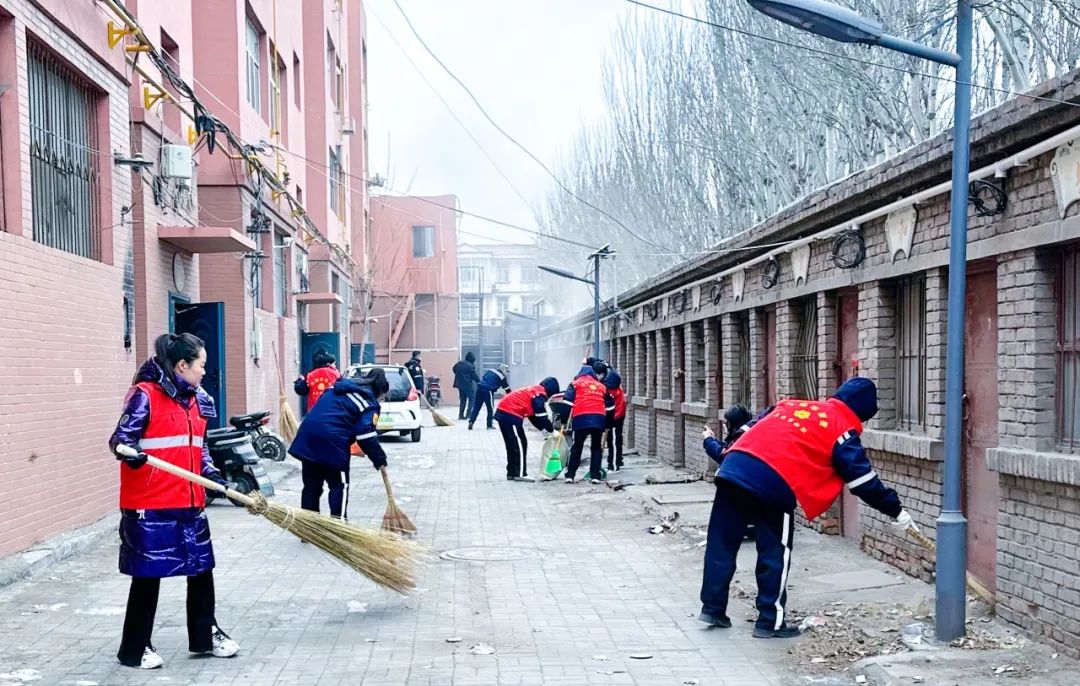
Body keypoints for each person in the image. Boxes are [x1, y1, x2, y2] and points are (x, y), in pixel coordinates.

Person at [698, 378, 917, 639]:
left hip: (733, 469)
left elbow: (746, 429)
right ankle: (770, 622)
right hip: (774, 482)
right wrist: (896, 511)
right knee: (774, 552)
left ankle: (713, 609)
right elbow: (863, 482)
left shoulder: (791, 405)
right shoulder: (842, 430)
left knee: (721, 543)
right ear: (861, 413)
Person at [108, 333, 240, 670]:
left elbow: (199, 447)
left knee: (201, 569)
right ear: (182, 365)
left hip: (190, 501)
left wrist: (214, 477)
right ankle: (135, 648)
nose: (204, 371)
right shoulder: (145, 396)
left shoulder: (199, 399)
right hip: (150, 504)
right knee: (148, 574)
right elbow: (120, 439)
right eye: (201, 365)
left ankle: (206, 634)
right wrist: (130, 453)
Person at [288, 368, 390, 518]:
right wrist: (379, 459)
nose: (380, 400)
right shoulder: (368, 403)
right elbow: (366, 435)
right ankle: (339, 525)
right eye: (382, 397)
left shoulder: (335, 388)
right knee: (339, 486)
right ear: (379, 390)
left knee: (311, 486)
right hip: (332, 443)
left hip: (308, 438)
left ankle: (309, 526)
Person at [494, 377, 560, 480]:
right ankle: (521, 474)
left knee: (512, 444)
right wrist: (552, 430)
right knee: (521, 444)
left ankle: (512, 473)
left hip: (504, 411)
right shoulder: (539, 394)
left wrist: (542, 429)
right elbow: (542, 416)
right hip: (510, 413)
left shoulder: (535, 390)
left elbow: (532, 415)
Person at [564, 360, 615, 484]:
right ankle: (595, 476)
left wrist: (564, 420)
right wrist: (608, 425)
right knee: (596, 447)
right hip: (598, 419)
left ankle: (570, 475)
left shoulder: (575, 384)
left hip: (580, 418)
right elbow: (610, 406)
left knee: (577, 446)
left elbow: (567, 401)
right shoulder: (601, 386)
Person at [469, 363, 511, 430]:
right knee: (490, 408)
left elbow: (484, 378)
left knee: (476, 406)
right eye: (506, 371)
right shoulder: (502, 376)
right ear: (503, 370)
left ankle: (471, 421)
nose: (506, 373)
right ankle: (489, 425)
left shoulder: (490, 371)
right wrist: (511, 396)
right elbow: (507, 389)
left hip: (479, 388)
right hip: (488, 390)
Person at [604, 368, 627, 472]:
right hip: (620, 415)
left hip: (609, 415)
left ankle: (610, 463)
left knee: (609, 440)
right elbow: (623, 403)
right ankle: (619, 460)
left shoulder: (605, 390)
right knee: (619, 437)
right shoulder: (619, 389)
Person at [452, 352, 480, 420]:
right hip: (467, 384)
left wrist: (459, 375)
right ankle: (468, 414)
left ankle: (461, 415)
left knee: (462, 400)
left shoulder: (459, 363)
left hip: (459, 384)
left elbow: (454, 369)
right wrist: (479, 382)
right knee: (472, 398)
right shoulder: (470, 366)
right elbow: (474, 376)